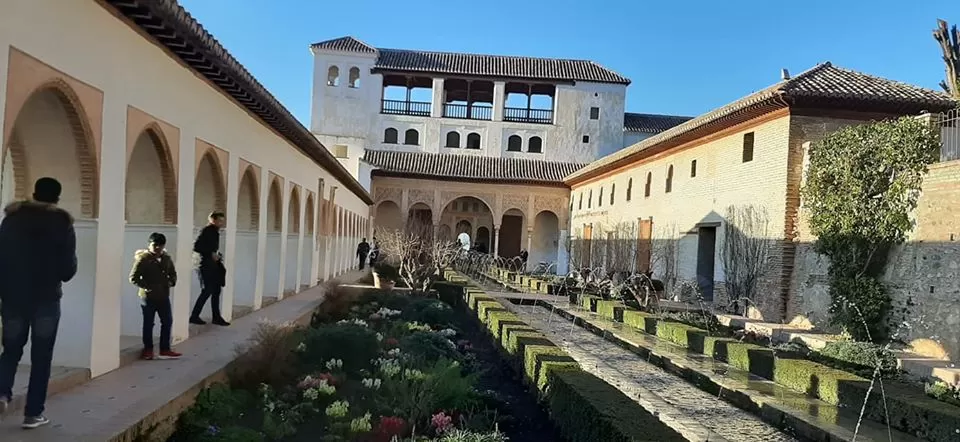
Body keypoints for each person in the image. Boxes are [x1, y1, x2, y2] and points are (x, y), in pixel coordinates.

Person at [0, 177, 77, 429]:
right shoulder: (61, 222)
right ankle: (33, 414)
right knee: (41, 357)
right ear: (56, 197)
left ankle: (2, 393)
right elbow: (67, 269)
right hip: (46, 299)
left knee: (10, 351)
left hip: (13, 297)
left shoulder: (11, 219)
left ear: (33, 193)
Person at [129, 232, 181, 360]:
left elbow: (173, 274)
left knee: (167, 321)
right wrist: (147, 286)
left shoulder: (166, 259)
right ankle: (148, 349)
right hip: (148, 297)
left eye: (160, 245)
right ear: (150, 245)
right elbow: (133, 277)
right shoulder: (144, 259)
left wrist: (170, 282)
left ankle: (165, 349)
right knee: (148, 323)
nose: (157, 248)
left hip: (163, 295)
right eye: (154, 245)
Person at [190, 212, 229, 326]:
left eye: (222, 220)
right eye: (219, 220)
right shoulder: (206, 231)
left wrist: (217, 255)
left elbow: (212, 248)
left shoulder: (215, 232)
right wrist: (210, 253)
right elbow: (196, 247)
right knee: (207, 290)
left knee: (217, 290)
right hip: (205, 265)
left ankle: (216, 317)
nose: (221, 223)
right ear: (212, 220)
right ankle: (194, 316)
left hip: (213, 265)